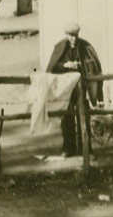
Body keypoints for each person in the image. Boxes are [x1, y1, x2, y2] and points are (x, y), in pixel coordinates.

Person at [45, 23, 104, 157]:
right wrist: (66, 65)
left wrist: (99, 96)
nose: (74, 39)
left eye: (75, 35)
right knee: (67, 117)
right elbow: (52, 68)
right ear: (66, 35)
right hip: (67, 90)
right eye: (71, 36)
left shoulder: (85, 47)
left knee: (84, 116)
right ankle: (68, 148)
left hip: (81, 89)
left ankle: (86, 149)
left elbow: (95, 70)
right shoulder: (60, 47)